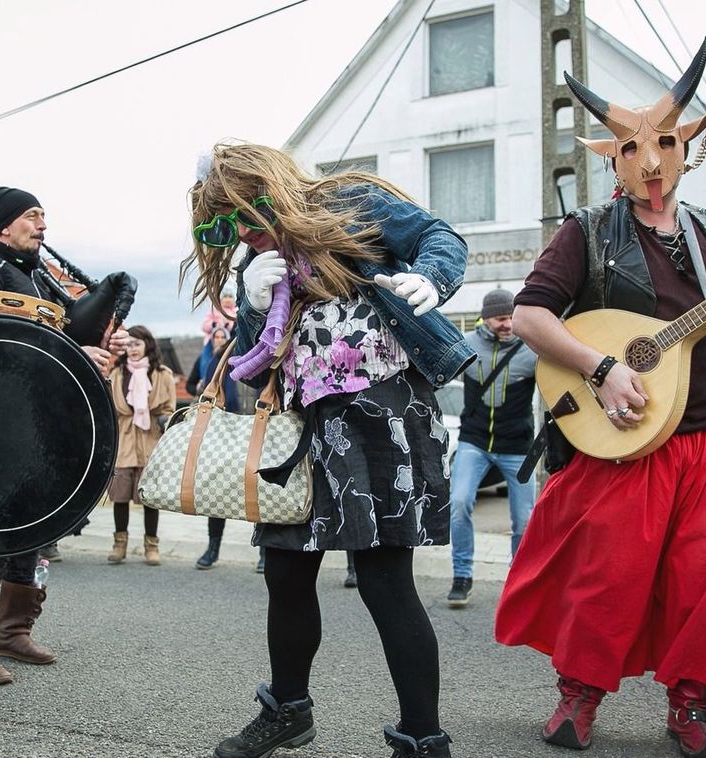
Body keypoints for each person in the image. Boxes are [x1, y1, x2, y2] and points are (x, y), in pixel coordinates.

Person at [492, 41, 706, 758]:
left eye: (665, 143)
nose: (650, 162)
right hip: (624, 440)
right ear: (612, 155)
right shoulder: (587, 232)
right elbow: (530, 316)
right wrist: (602, 365)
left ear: (685, 148)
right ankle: (578, 698)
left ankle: (691, 707)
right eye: (634, 148)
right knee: (604, 581)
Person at [184, 142, 472, 758]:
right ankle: (287, 711)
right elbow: (248, 361)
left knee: (385, 581)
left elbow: (439, 235)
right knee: (285, 576)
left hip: (380, 417)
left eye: (246, 217)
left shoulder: (350, 204)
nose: (241, 234)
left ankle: (424, 740)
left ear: (273, 189)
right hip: (300, 429)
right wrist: (253, 307)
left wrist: (430, 276)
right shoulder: (252, 261)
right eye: (224, 227)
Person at [0, 185, 124, 686]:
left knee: (34, 526)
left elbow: (64, 338)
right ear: (2, 224)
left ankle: (13, 631)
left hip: (37, 422)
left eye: (44, 216)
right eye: (32, 216)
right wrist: (73, 354)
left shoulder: (33, 276)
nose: (42, 225)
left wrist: (104, 343)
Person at [446, 288, 537, 608]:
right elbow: (438, 371)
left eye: (512, 317)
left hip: (518, 446)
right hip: (474, 441)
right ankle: (461, 576)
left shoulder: (532, 349)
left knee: (524, 520)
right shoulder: (466, 345)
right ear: (486, 318)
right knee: (457, 503)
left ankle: (518, 583)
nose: (508, 324)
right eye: (501, 318)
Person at [106, 325, 176, 567]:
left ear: (147, 344)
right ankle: (119, 544)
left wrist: (165, 419)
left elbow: (169, 408)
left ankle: (151, 546)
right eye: (129, 344)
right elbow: (109, 410)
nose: (132, 349)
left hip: (150, 441)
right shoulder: (116, 374)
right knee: (120, 496)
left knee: (149, 498)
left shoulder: (162, 374)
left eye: (136, 343)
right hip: (124, 441)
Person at [188, 326, 238, 570]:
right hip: (224, 431)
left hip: (262, 425)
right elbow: (204, 391)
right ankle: (213, 548)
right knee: (218, 492)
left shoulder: (269, 350)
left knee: (263, 492)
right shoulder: (219, 358)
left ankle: (264, 552)